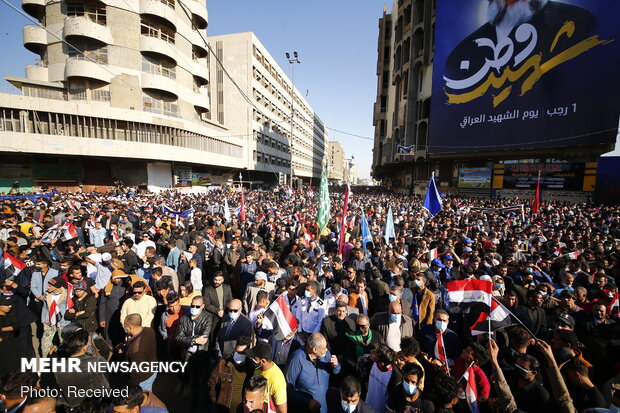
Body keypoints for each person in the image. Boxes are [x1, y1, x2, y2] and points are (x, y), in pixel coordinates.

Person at [286, 333, 340, 413]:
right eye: (324, 348)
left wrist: (336, 365)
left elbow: (336, 371)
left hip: (324, 408)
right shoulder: (297, 358)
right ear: (314, 350)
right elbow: (288, 388)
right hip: (304, 409)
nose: (326, 350)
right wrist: (308, 401)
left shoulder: (326, 355)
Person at [175, 295, 213, 410]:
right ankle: (194, 405)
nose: (194, 308)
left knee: (205, 382)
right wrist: (194, 340)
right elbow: (178, 338)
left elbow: (204, 338)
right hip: (188, 355)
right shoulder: (183, 319)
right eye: (192, 305)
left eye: (197, 306)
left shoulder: (208, 318)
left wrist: (188, 339)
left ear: (202, 306)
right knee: (193, 383)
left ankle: (207, 405)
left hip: (202, 355)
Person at [208, 336, 254, 413]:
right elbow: (211, 384)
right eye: (238, 351)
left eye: (243, 353)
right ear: (234, 349)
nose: (240, 355)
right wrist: (215, 402)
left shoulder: (251, 368)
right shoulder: (223, 364)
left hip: (243, 409)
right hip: (224, 409)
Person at [247, 341, 288, 413]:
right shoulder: (259, 368)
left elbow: (282, 411)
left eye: (255, 359)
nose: (252, 360)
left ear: (263, 361)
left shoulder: (277, 379)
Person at [123, 313, 158, 391]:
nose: (124, 328)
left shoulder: (136, 350)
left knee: (144, 399)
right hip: (153, 369)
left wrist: (132, 386)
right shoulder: (150, 330)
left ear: (130, 327)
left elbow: (136, 373)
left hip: (143, 379)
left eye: (125, 326)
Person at [365, 344, 401, 413]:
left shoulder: (395, 377)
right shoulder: (369, 361)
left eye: (374, 353)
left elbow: (392, 401)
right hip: (367, 406)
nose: (371, 351)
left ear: (381, 363)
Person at [40, 276, 69, 357]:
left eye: (50, 286)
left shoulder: (67, 294)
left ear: (57, 287)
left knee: (64, 344)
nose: (47, 287)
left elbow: (70, 307)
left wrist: (66, 323)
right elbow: (45, 307)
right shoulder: (47, 294)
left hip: (62, 323)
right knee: (45, 344)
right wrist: (43, 320)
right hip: (49, 322)